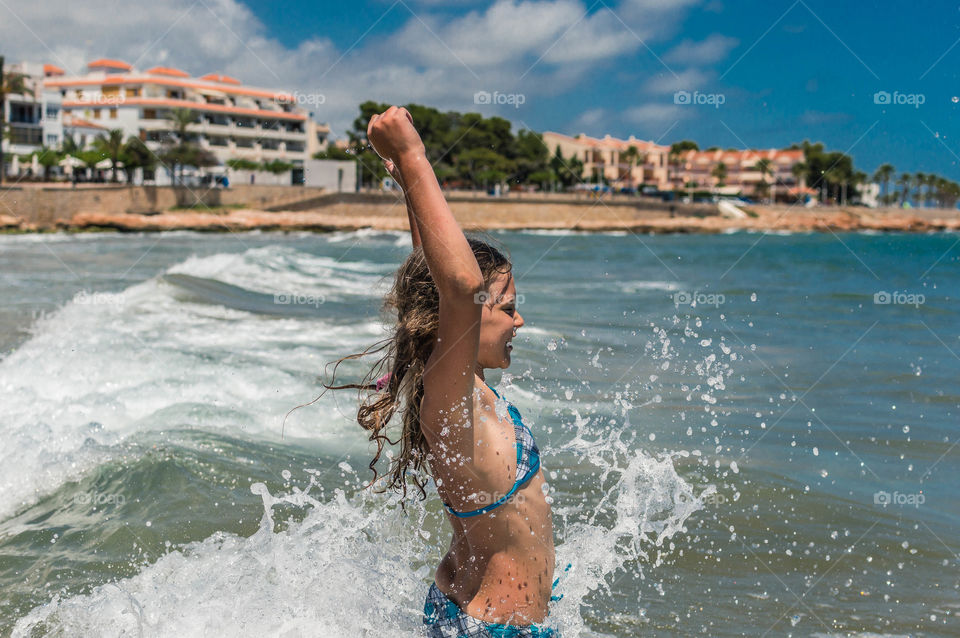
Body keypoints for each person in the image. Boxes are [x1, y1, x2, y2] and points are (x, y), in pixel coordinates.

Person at [327, 106, 558, 637]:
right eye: (507, 307)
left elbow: (434, 284)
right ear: (470, 313)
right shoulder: (451, 399)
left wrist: (411, 188)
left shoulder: (465, 384)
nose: (519, 320)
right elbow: (453, 287)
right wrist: (413, 156)